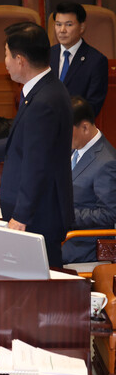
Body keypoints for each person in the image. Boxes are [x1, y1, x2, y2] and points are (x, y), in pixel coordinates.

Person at [0, 21, 73, 267]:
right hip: (38, 211)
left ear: (20, 60)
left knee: (38, 289)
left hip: (39, 215)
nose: (5, 61)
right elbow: (32, 142)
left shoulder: (44, 101)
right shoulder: (43, 90)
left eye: (6, 55)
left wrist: (21, 216)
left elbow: (38, 165)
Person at [62, 96, 116, 264]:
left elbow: (109, 215)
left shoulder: (107, 162)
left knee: (34, 255)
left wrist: (66, 214)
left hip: (83, 242)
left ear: (84, 127)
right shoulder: (75, 147)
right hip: (63, 232)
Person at [50, 2, 109, 117]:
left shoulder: (96, 61)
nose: (62, 30)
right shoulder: (46, 55)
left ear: (82, 27)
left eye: (68, 25)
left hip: (75, 128)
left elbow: (93, 105)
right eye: (58, 24)